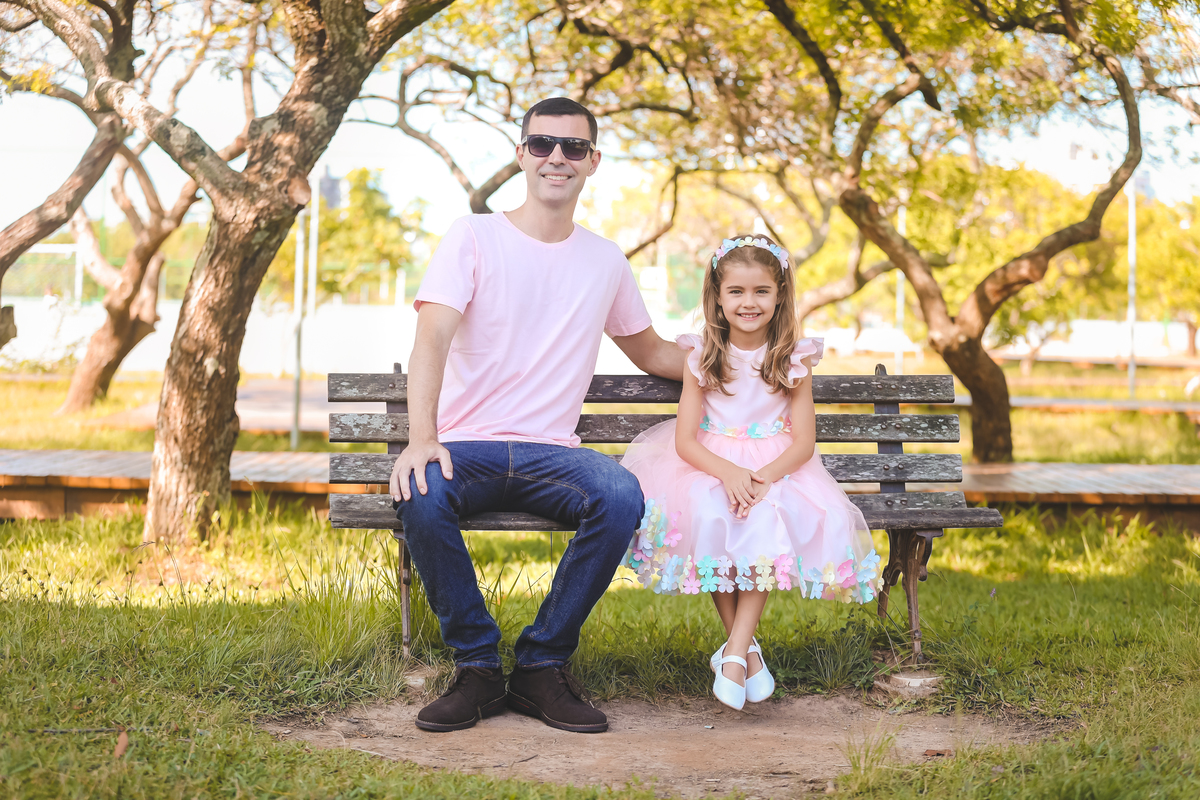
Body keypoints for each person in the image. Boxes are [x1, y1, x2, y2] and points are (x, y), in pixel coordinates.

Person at [389, 97, 684, 734]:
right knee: (420, 492)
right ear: (520, 154)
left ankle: (540, 666)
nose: (557, 157)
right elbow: (432, 339)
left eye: (573, 147)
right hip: (464, 448)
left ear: (592, 162)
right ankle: (476, 668)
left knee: (619, 494)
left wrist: (749, 364)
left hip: (554, 453)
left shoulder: (605, 260)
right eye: (543, 144)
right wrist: (421, 439)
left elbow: (654, 351)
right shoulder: (473, 236)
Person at [620, 234, 881, 710]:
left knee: (763, 516)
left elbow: (803, 442)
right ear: (717, 298)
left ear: (779, 294)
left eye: (761, 290)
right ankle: (746, 654)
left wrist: (760, 478)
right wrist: (728, 475)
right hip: (709, 463)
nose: (749, 302)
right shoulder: (701, 357)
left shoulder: (792, 360)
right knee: (707, 508)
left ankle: (736, 651)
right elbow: (684, 440)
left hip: (775, 468)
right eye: (736, 291)